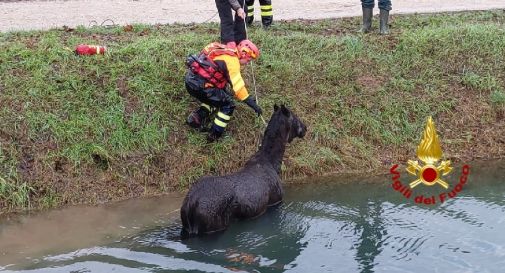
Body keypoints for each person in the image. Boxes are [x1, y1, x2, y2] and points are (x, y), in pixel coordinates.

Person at [185, 40, 263, 142]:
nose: (247, 64)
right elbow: (238, 87)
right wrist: (252, 104)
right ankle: (214, 135)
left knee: (221, 94)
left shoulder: (222, 48)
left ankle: (196, 118)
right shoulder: (232, 62)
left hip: (191, 80)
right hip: (202, 87)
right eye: (248, 60)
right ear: (243, 53)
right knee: (228, 104)